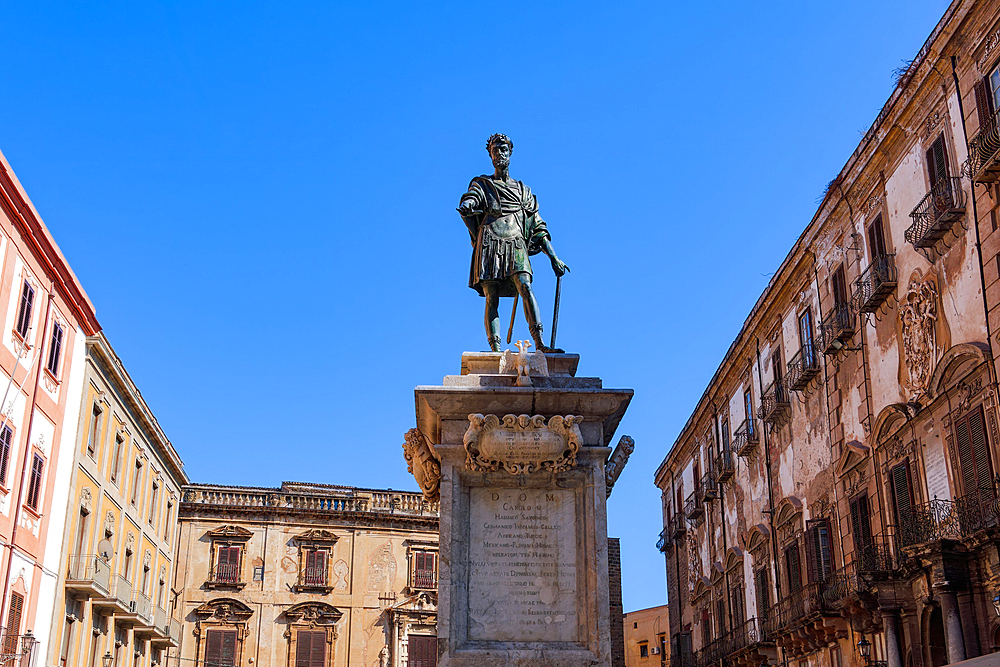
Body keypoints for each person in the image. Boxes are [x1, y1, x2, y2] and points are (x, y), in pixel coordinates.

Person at [457, 134, 570, 353]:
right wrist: (468, 205)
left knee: (525, 286)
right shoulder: (483, 184)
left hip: (516, 242)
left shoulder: (523, 191)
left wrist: (554, 258)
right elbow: (472, 197)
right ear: (490, 156)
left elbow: (538, 226)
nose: (499, 154)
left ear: (510, 152)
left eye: (503, 149)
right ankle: (495, 350)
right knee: (491, 296)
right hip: (490, 242)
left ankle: (540, 344)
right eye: (494, 151)